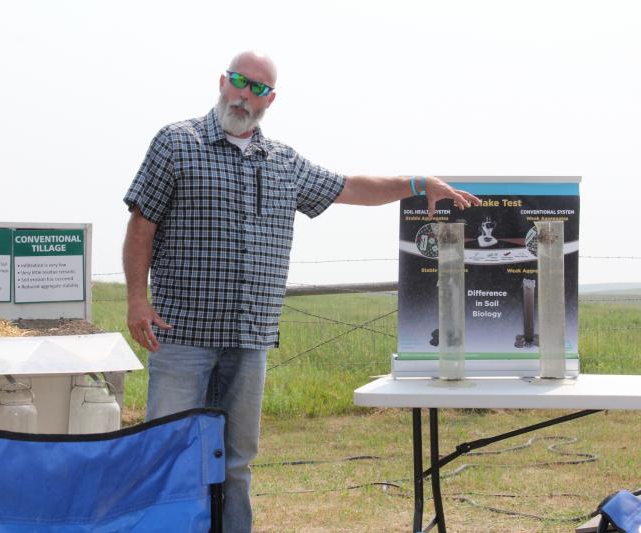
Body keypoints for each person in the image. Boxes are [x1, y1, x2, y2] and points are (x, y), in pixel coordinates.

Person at [122, 50, 480, 532]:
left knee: (236, 460)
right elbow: (142, 221)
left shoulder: (284, 163)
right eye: (238, 81)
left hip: (250, 340)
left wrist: (417, 183)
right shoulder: (176, 143)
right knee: (170, 452)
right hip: (181, 333)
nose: (244, 95)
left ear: (271, 99)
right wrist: (136, 300)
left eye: (258, 88)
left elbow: (351, 187)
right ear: (221, 81)